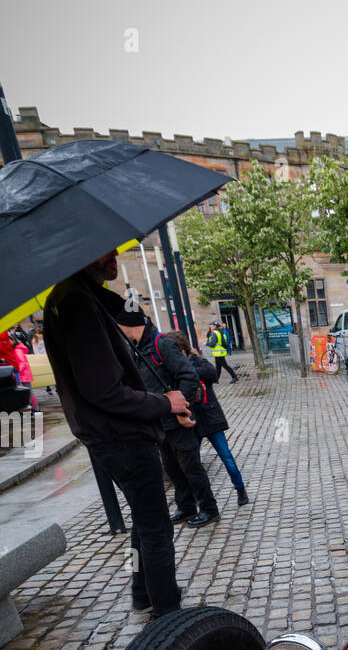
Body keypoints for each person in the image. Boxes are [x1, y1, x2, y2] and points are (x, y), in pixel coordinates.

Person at [42, 250, 189, 618]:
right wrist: (163, 403)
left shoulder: (75, 296)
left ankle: (143, 592)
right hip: (121, 437)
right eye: (104, 252)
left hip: (112, 436)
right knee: (156, 529)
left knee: (142, 519)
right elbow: (105, 391)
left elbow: (124, 322)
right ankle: (168, 615)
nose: (114, 257)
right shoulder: (76, 302)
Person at [116, 311, 220, 529]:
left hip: (177, 421)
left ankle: (209, 508)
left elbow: (188, 376)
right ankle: (186, 507)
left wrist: (182, 412)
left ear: (127, 324)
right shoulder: (136, 347)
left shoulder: (162, 344)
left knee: (191, 467)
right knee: (172, 468)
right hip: (159, 422)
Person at [161, 330, 249, 507]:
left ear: (182, 349)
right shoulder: (170, 369)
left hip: (210, 418)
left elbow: (211, 374)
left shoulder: (196, 361)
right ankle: (197, 498)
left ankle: (240, 489)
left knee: (226, 457)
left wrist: (185, 369)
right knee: (191, 463)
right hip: (191, 422)